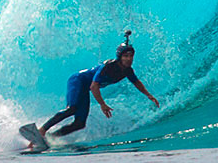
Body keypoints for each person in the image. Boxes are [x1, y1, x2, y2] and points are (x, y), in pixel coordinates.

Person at [21, 31, 159, 150]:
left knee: (79, 124)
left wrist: (149, 95)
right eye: (126, 56)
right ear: (119, 57)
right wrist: (102, 104)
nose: (129, 59)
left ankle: (50, 138)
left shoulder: (127, 70)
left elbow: (136, 82)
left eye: (131, 56)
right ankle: (42, 130)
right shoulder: (109, 66)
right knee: (72, 108)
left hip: (85, 88)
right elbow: (94, 86)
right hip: (78, 80)